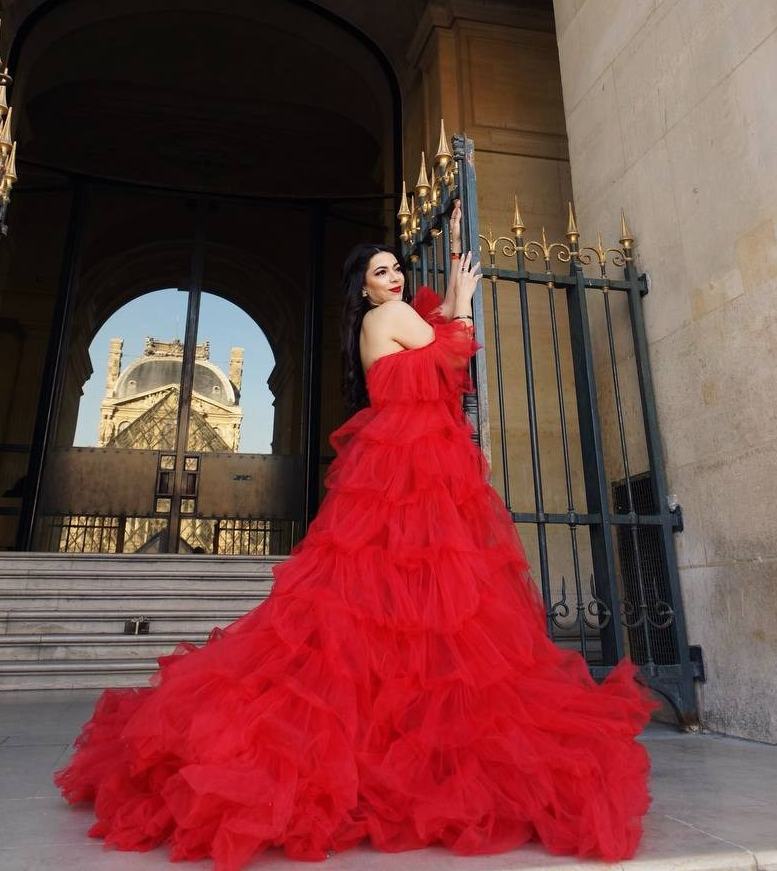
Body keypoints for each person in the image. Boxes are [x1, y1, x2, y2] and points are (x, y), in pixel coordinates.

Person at [55, 200, 654, 867]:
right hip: (412, 465)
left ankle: (382, 737)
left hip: (396, 459)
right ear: (362, 285)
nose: (394, 277)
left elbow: (437, 355)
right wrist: (457, 298)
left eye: (397, 267)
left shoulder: (378, 322)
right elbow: (453, 352)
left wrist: (453, 290)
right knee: (429, 601)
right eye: (381, 270)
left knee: (380, 603)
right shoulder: (392, 318)